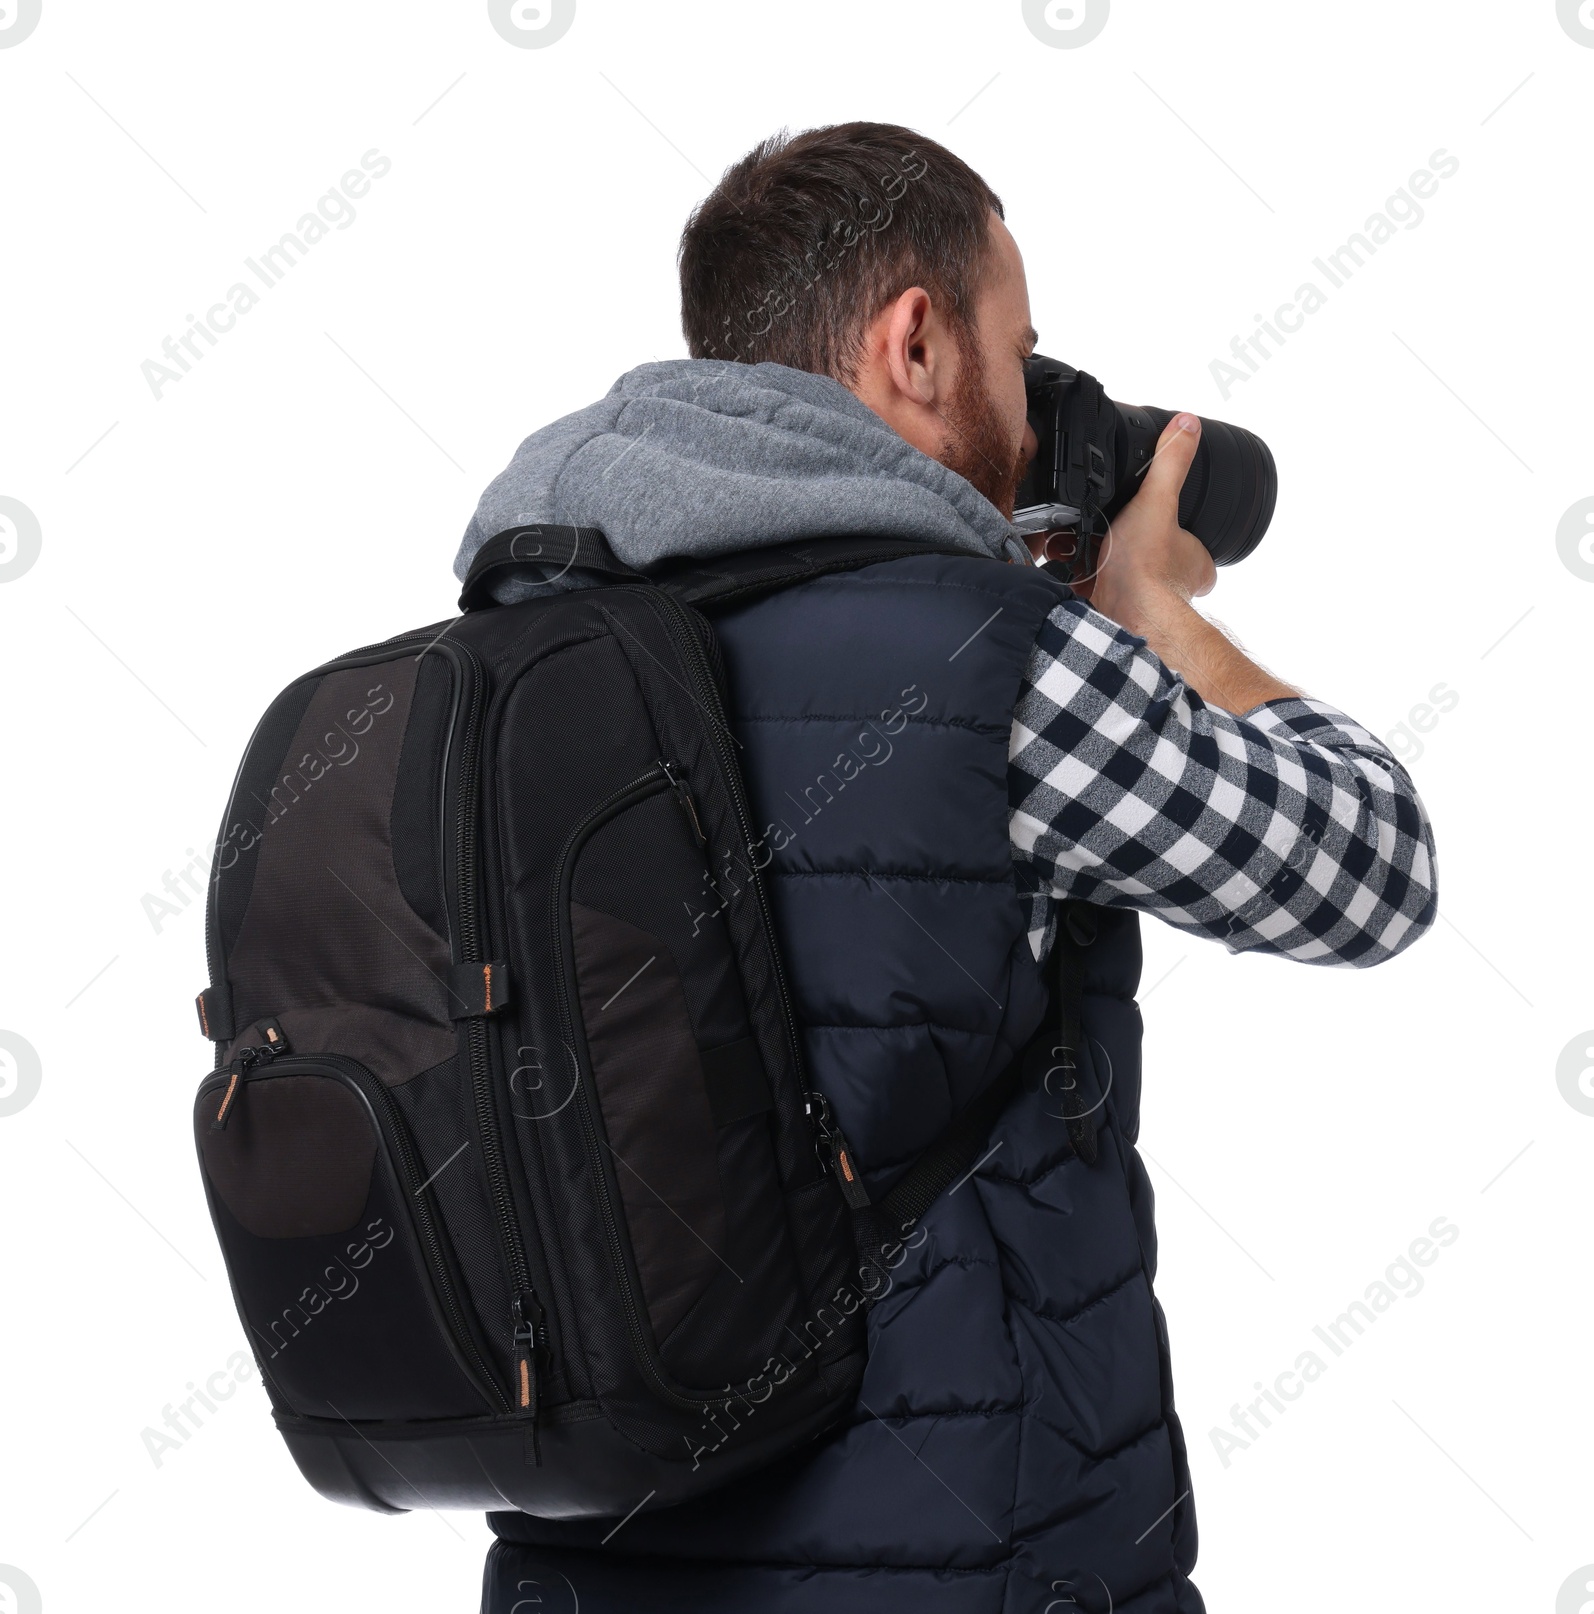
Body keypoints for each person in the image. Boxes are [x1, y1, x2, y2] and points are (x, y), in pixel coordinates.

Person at [462, 121, 1437, 1614]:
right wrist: (1153, 614)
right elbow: (1371, 863)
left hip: (586, 1570)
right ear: (915, 342)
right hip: (983, 1571)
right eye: (1016, 345)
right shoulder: (990, 665)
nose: (1031, 418)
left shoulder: (497, 667)